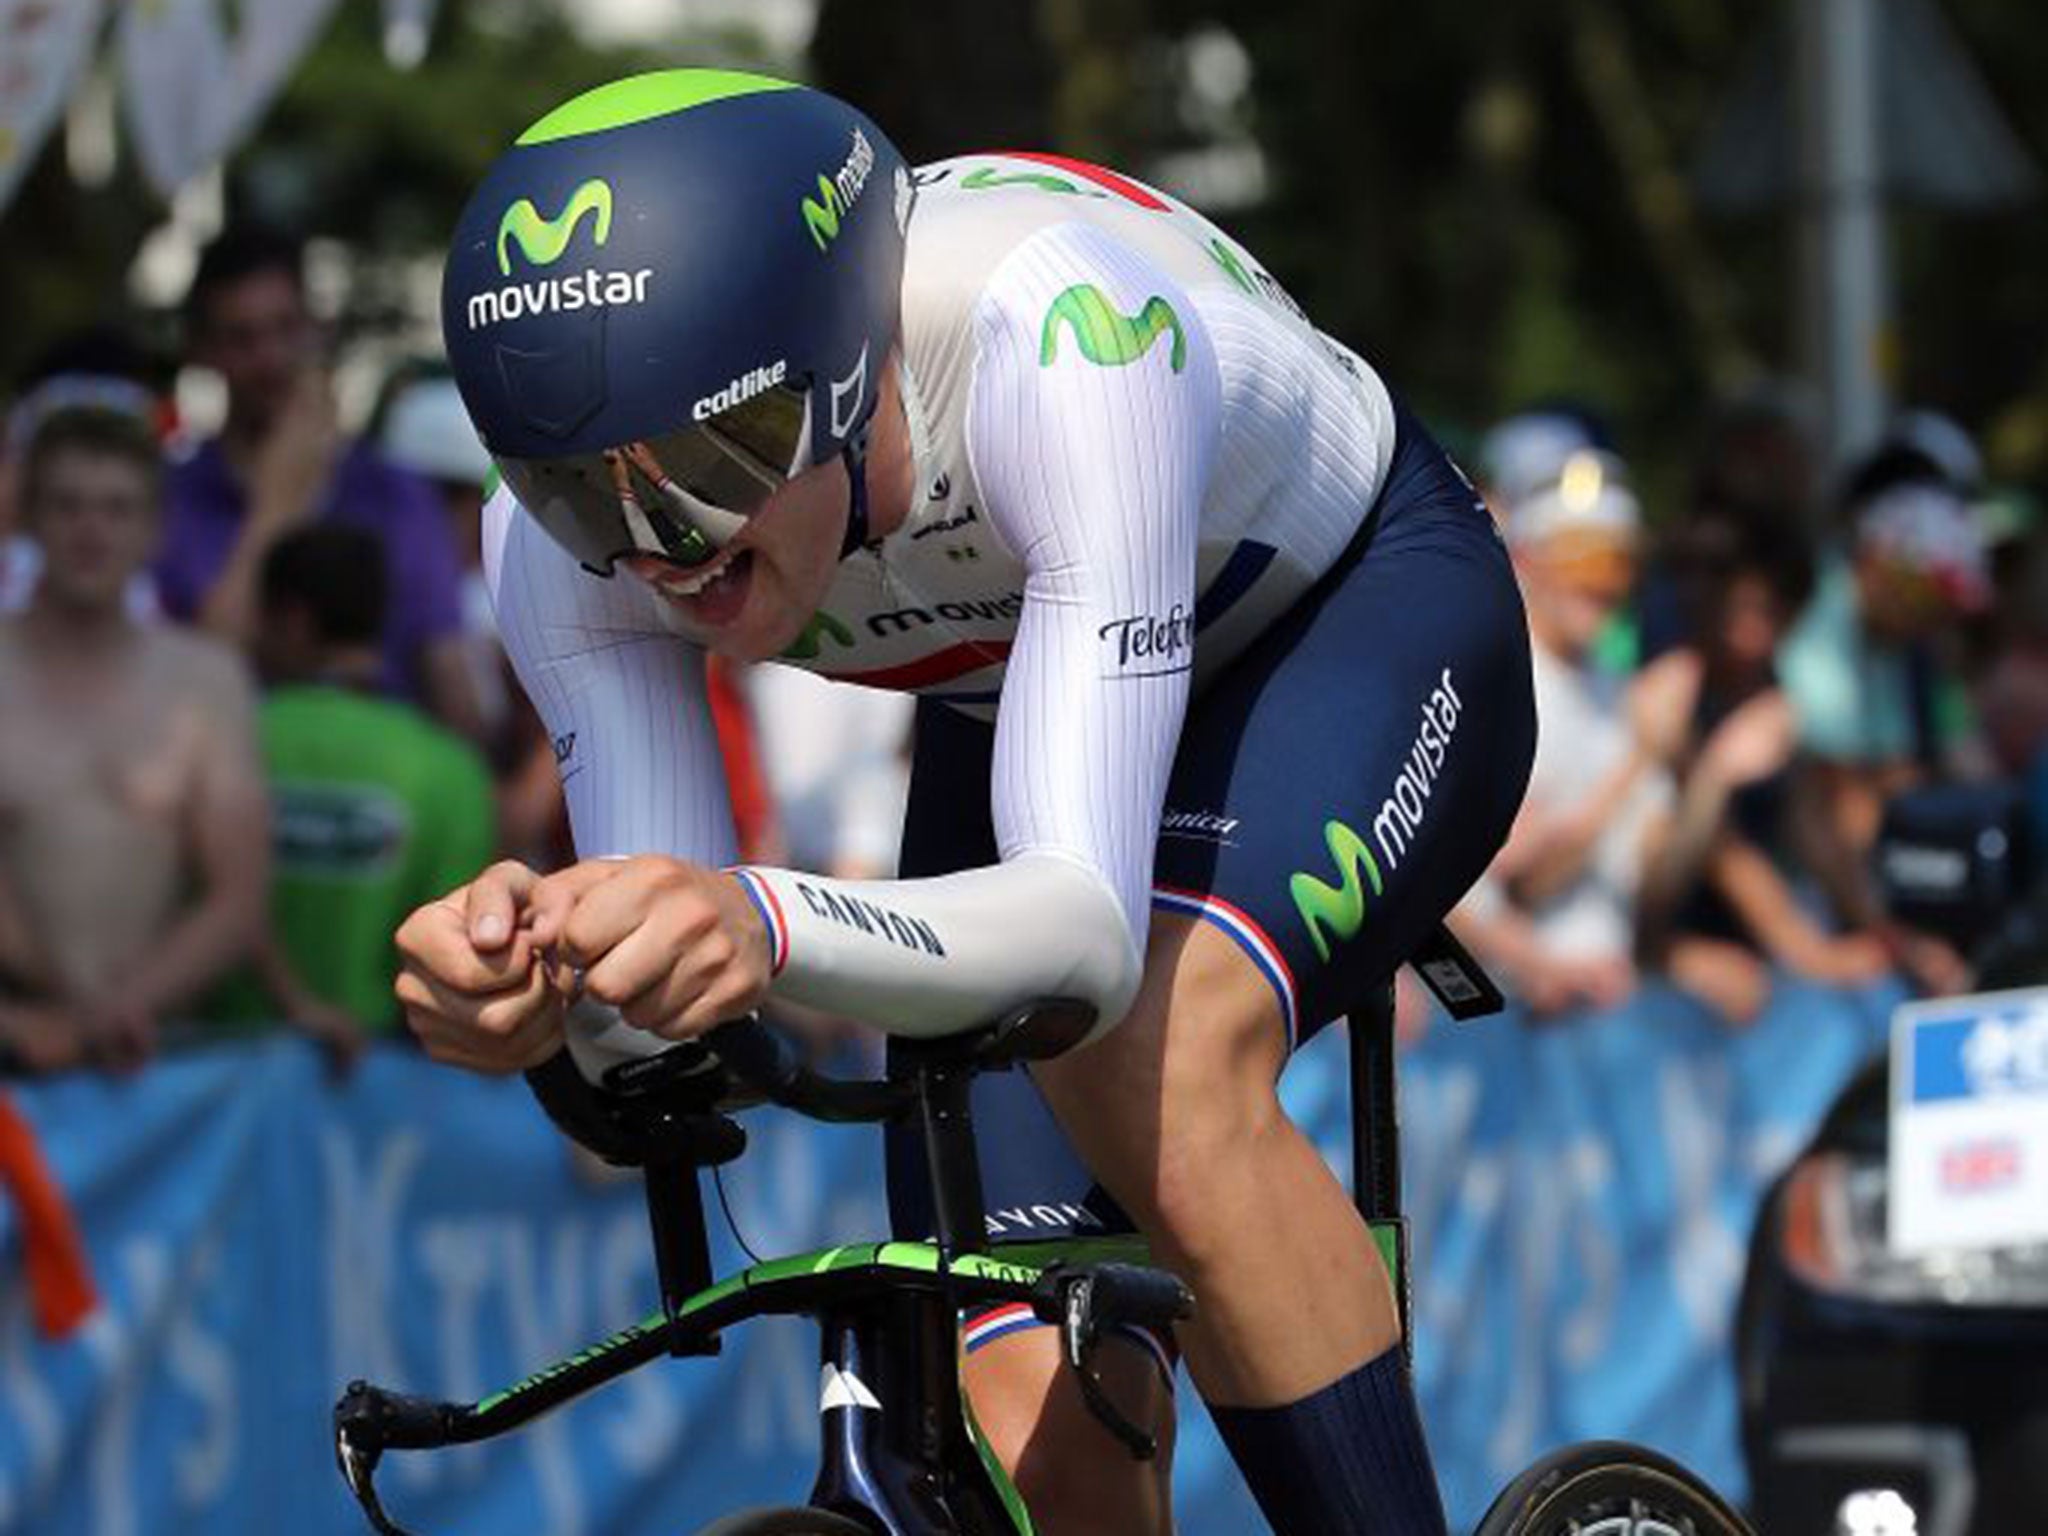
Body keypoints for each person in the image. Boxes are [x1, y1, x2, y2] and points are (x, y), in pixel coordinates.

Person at [397, 71, 1535, 1536]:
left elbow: (1074, 931)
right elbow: (673, 1011)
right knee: (1017, 1394)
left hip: (1345, 620)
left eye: (707, 462)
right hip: (1025, 688)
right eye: (573, 489)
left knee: (1157, 1065)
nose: (657, 546)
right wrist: (540, 980)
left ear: (844, 369)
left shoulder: (1057, 339)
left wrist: (754, 916)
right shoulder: (559, 541)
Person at [0, 408, 267, 1073]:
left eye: (118, 509)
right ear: (28, 519)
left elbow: (239, 895)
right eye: (68, 506)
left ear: (153, 530)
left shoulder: (206, 680)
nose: (93, 530)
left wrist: (112, 1012)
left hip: (148, 1056)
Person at [155, 226, 481, 736]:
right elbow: (185, 691)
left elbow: (452, 692)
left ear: (316, 329)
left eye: (285, 329)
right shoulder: (168, 497)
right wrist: (275, 508)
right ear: (201, 350)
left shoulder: (397, 494)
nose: (269, 359)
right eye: (242, 338)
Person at [207, 525, 496, 1057]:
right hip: (389, 1094)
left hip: (214, 1087)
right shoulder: (451, 770)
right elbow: (458, 960)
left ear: (291, 621)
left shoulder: (223, 743)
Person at [1634, 529, 1890, 1022]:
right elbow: (1722, 855)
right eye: (1741, 611)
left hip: (1747, 958)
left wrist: (1883, 932)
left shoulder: (1768, 691)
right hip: (1654, 947)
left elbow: (1814, 830)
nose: (1753, 633)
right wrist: (1810, 954)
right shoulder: (1674, 690)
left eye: (1771, 614)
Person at [1476, 448, 1672, 1017]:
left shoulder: (1620, 692)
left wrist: (1711, 770)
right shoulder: (1495, 685)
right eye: (1579, 559)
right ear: (1529, 561)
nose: (1601, 583)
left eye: (1617, 563)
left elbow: (1654, 866)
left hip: (1602, 1011)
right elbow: (1516, 880)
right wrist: (1636, 763)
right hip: (1509, 1018)